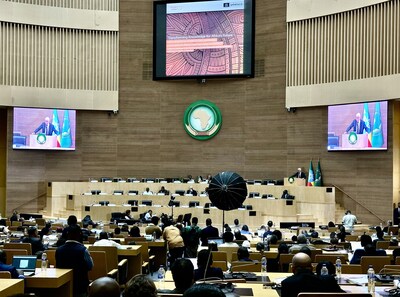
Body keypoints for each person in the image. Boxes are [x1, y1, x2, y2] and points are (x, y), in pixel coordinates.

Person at [56, 225, 93, 297]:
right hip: (80, 287)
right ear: (79, 235)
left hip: (63, 286)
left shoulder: (58, 250)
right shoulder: (83, 250)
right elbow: (90, 266)